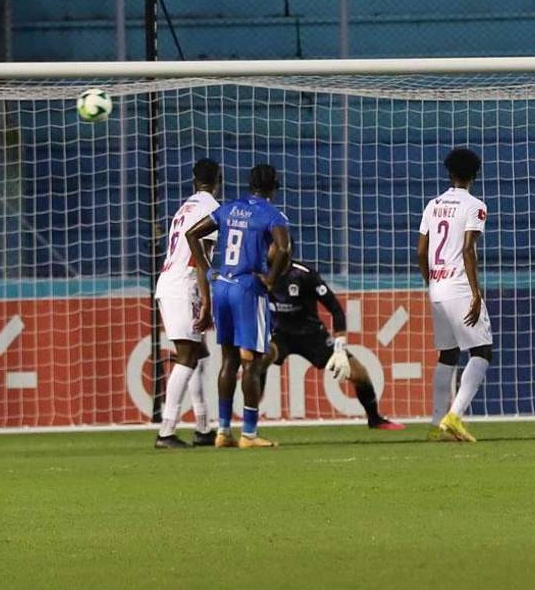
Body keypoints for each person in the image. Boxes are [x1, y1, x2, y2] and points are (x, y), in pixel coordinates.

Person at [186, 163, 291, 449]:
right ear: (273, 187)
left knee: (229, 360)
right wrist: (270, 280)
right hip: (247, 289)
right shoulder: (272, 214)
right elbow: (284, 249)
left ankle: (222, 431)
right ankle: (249, 433)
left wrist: (208, 270)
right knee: (252, 363)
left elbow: (192, 234)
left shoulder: (230, 208)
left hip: (222, 286)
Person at [261, 259, 403, 430]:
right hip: (279, 334)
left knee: (359, 374)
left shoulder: (304, 274)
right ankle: (250, 426)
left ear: (287, 249)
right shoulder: (260, 271)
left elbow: (335, 309)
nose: (269, 249)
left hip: (312, 335)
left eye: (274, 245)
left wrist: (340, 348)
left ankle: (375, 419)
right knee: (259, 361)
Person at [417, 147, 493, 443]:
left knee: (447, 355)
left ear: (449, 173)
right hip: (460, 287)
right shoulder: (475, 205)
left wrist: (431, 280)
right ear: (475, 175)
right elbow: (467, 250)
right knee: (482, 351)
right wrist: (476, 293)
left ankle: (436, 424)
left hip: (436, 287)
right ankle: (455, 417)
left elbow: (421, 251)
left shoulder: (432, 205)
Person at [153, 159, 222, 449]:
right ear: (219, 179)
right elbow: (200, 257)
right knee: (186, 356)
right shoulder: (212, 210)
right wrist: (207, 299)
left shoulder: (185, 208)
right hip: (184, 286)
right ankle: (166, 432)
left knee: (199, 352)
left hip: (170, 283)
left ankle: (203, 427)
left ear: (194, 180)